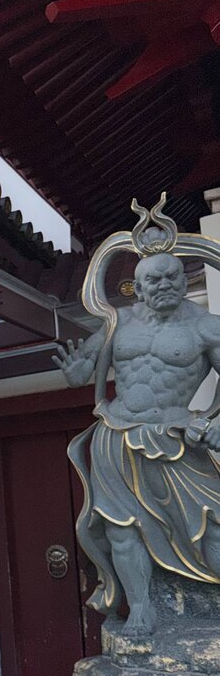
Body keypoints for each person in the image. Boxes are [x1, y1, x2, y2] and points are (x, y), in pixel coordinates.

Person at [54, 252, 220, 634]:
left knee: (211, 521)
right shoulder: (118, 322)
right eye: (153, 280)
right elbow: (85, 365)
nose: (164, 285)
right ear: (138, 289)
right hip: (116, 435)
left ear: (184, 281)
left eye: (171, 277)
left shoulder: (206, 326)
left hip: (177, 437)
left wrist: (214, 421)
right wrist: (77, 371)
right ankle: (141, 608)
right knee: (121, 528)